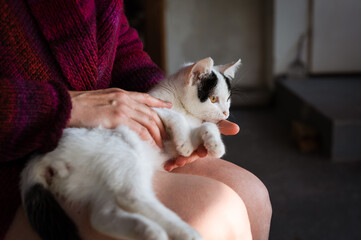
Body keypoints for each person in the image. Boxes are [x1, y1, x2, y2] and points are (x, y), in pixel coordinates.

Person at [0, 0, 272, 239]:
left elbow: (118, 42)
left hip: (108, 136)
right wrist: (66, 105)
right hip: (24, 156)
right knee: (217, 215)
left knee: (254, 196)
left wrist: (170, 99)